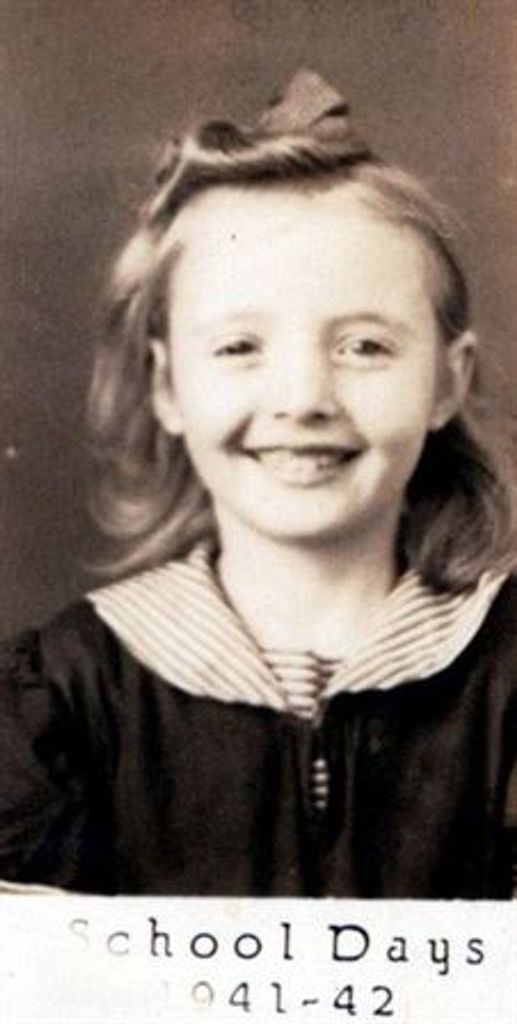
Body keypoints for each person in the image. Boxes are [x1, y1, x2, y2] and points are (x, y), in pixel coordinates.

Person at [0, 71, 515, 898]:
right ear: (167, 385)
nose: (302, 399)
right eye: (239, 347)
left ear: (445, 383)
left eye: (364, 347)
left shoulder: (504, 675)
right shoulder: (65, 699)